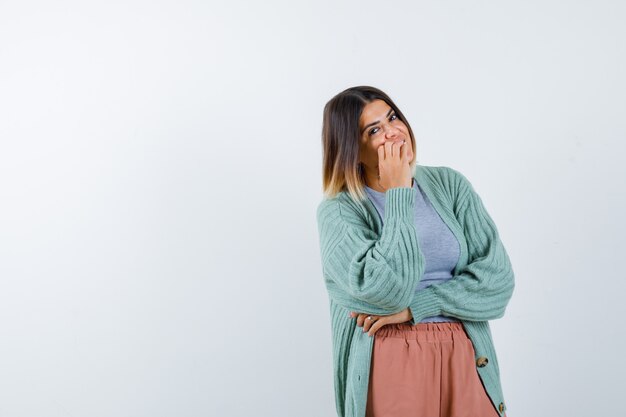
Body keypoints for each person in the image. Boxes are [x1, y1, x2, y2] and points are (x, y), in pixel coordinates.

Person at [316, 86, 515, 417]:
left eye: (392, 117)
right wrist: (398, 195)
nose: (393, 131)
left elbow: (498, 283)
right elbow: (384, 293)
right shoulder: (339, 211)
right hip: (390, 355)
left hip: (464, 350)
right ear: (353, 148)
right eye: (374, 129)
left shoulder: (450, 185)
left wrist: (419, 307)